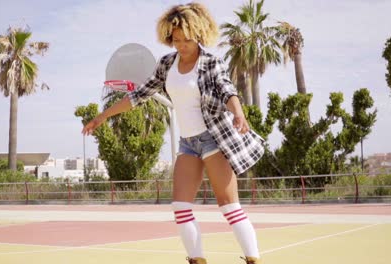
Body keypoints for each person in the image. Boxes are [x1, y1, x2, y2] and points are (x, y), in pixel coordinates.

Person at [83, 2, 265, 264]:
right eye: (176, 39)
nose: (181, 45)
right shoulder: (167, 63)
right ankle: (196, 259)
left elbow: (227, 90)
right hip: (188, 144)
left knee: (228, 206)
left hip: (213, 139)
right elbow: (138, 95)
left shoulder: (211, 63)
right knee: (180, 207)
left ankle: (253, 259)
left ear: (199, 35)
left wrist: (238, 112)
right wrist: (102, 116)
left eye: (186, 40)